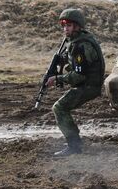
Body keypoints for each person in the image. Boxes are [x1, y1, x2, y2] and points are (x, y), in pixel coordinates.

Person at [45, 9, 105, 156]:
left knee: (59, 108)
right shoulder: (76, 41)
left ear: (78, 26)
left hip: (89, 85)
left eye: (69, 25)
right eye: (64, 25)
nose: (65, 29)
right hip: (88, 83)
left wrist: (58, 79)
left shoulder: (80, 46)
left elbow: (79, 75)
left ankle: (74, 146)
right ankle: (74, 143)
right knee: (61, 107)